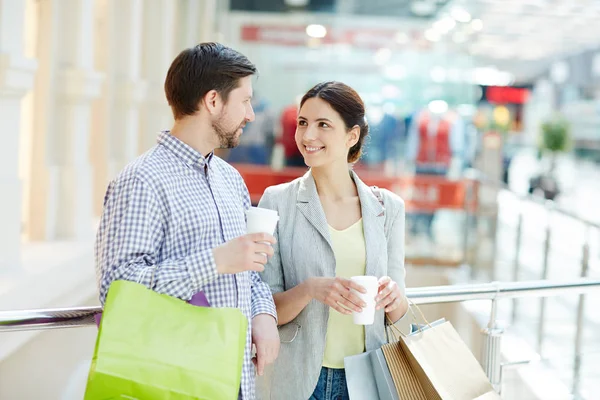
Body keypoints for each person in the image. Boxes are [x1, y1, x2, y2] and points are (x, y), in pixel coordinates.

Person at [95, 42, 280, 400]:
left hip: (236, 380)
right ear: (213, 101)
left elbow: (248, 272)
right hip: (173, 382)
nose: (251, 114)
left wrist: (264, 315)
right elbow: (118, 289)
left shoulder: (230, 179)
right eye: (245, 101)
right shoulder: (141, 180)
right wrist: (214, 262)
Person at [256, 82, 409, 399]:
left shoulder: (388, 209)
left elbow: (400, 312)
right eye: (303, 123)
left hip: (366, 380)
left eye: (322, 125)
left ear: (352, 136)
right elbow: (264, 306)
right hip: (297, 378)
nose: (307, 136)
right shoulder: (277, 202)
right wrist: (311, 289)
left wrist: (395, 299)